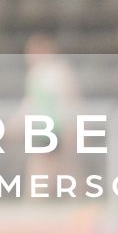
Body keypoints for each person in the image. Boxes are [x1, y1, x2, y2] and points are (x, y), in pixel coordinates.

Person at [15, 34, 81, 187]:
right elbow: (30, 104)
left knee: (60, 171)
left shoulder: (58, 73)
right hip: (45, 130)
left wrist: (71, 129)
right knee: (60, 171)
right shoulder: (36, 74)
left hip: (58, 129)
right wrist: (14, 125)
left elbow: (69, 103)